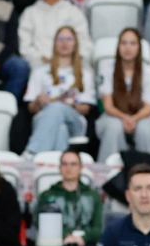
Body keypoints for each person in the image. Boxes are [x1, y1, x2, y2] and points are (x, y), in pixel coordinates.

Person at [23, 26, 96, 155]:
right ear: (54, 43)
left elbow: (86, 109)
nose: (64, 43)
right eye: (60, 39)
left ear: (75, 44)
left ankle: (32, 152)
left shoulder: (85, 74)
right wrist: (38, 102)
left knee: (56, 108)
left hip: (75, 121)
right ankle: (54, 165)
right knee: (61, 129)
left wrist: (71, 105)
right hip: (44, 119)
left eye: (69, 39)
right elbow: (30, 108)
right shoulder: (40, 72)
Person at [97, 28, 150, 161]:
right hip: (115, 116)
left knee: (145, 128)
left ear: (139, 48)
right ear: (118, 46)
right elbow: (108, 106)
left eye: (132, 43)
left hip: (141, 117)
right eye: (124, 43)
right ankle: (109, 171)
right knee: (113, 126)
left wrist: (133, 119)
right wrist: (124, 118)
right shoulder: (107, 70)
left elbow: (148, 108)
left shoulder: (149, 73)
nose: (127, 48)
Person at [17, 0, 91, 70]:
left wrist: (70, 60)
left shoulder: (73, 12)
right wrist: (42, 59)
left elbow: (84, 42)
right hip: (40, 66)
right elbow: (25, 46)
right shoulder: (30, 13)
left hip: (70, 66)